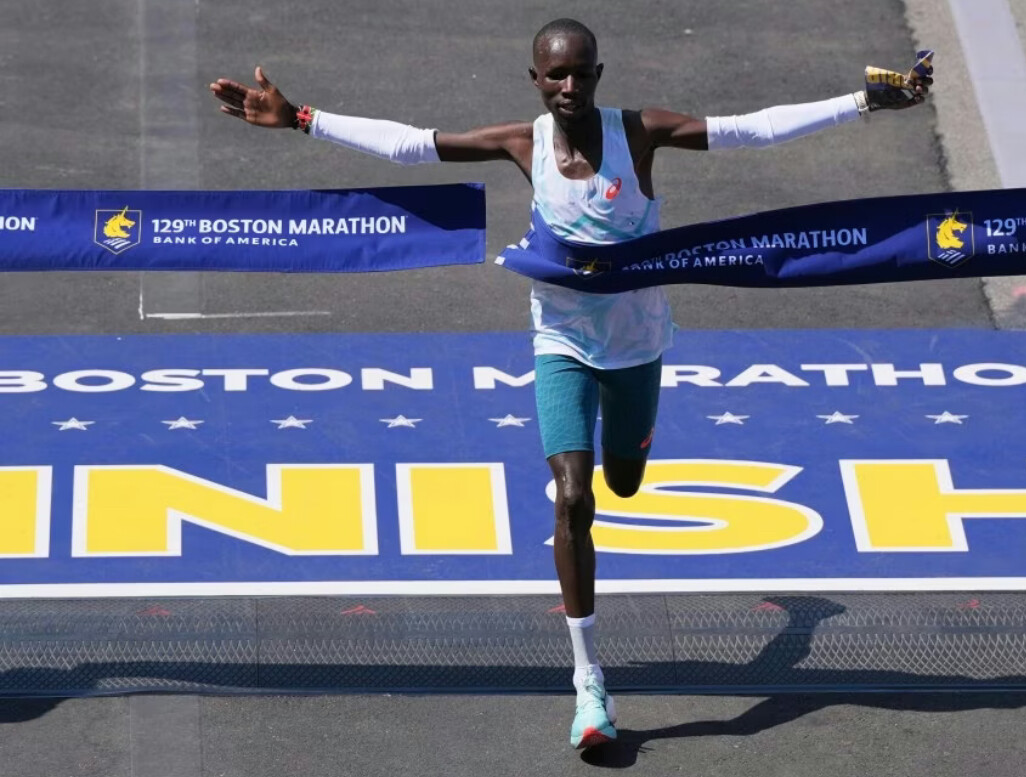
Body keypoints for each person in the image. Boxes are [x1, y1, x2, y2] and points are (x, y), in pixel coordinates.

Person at [210, 18, 932, 749]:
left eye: (581, 73)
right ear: (535, 79)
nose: (568, 86)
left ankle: (630, 453)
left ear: (598, 74)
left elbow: (752, 130)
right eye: (554, 74)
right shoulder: (522, 144)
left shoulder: (639, 134)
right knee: (574, 496)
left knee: (625, 482)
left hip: (636, 345)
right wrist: (300, 118)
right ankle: (589, 682)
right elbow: (412, 144)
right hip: (560, 343)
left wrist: (865, 102)